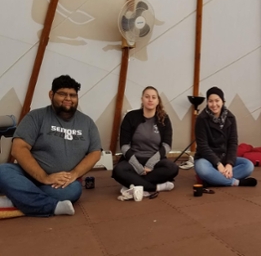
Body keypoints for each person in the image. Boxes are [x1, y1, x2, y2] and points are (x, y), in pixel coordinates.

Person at [0, 75, 102, 216]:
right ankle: (51, 206)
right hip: (28, 175)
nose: (68, 98)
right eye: (62, 94)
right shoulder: (35, 116)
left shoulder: (87, 123)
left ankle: (16, 199)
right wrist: (44, 177)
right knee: (3, 171)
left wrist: (74, 174)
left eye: (72, 95)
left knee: (73, 190)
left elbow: (95, 153)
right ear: (51, 94)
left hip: (62, 182)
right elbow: (18, 149)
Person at [112, 86, 178, 200]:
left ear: (158, 101)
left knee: (173, 168)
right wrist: (138, 166)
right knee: (118, 171)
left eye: (153, 97)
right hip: (133, 159)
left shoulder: (164, 119)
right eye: (147, 97)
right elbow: (124, 145)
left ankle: (133, 184)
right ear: (142, 99)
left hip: (155, 160)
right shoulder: (131, 117)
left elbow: (167, 146)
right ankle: (157, 187)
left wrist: (150, 164)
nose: (150, 100)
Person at [194, 86, 257, 187]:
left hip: (225, 157)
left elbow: (233, 143)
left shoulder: (231, 118)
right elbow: (202, 146)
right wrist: (218, 164)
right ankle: (235, 182)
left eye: (217, 100)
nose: (214, 104)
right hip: (207, 159)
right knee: (202, 168)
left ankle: (213, 179)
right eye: (210, 101)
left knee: (248, 166)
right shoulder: (201, 119)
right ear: (207, 102)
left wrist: (229, 164)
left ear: (223, 101)